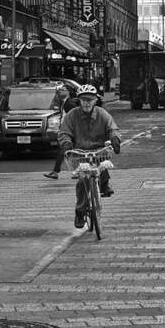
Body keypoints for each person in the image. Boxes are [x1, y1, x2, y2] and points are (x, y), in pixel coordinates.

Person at [58, 84, 121, 228]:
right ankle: (80, 211)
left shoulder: (102, 114)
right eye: (84, 99)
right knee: (82, 181)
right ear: (79, 100)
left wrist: (115, 139)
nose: (87, 102)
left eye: (90, 99)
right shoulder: (72, 115)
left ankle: (104, 184)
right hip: (79, 153)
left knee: (103, 166)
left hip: (99, 150)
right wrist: (66, 143)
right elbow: (64, 133)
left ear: (95, 100)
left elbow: (113, 128)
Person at [44, 86, 79, 180]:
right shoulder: (64, 102)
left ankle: (57, 172)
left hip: (69, 132)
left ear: (68, 92)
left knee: (66, 151)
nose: (60, 92)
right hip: (66, 131)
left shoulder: (70, 104)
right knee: (68, 152)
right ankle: (73, 171)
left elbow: (75, 118)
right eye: (60, 90)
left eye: (63, 90)